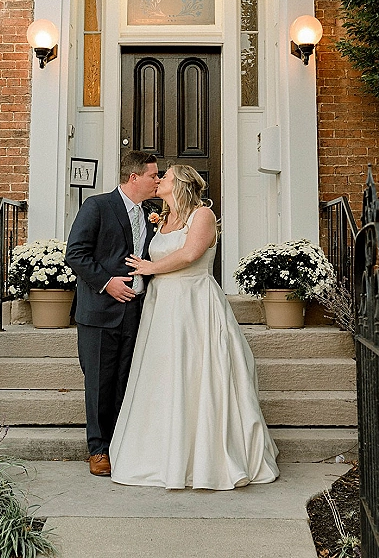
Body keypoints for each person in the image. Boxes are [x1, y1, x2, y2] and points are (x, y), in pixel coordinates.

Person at [109, 164, 279, 490]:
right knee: (164, 377)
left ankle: (204, 460)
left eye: (166, 177)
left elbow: (189, 255)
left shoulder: (201, 215)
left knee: (197, 374)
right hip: (161, 307)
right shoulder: (160, 217)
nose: (159, 181)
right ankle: (161, 456)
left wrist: (150, 267)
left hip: (193, 303)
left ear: (181, 184)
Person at [65, 150, 160, 477]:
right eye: (153, 175)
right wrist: (107, 283)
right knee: (99, 383)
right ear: (134, 178)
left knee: (125, 381)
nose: (157, 181)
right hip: (100, 312)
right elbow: (75, 253)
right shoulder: (97, 206)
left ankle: (121, 444)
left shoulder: (151, 213)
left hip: (136, 312)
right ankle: (98, 449)